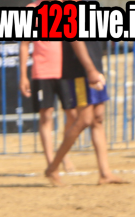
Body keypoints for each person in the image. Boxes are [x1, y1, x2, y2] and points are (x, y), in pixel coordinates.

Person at [43, 40, 126, 187]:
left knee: (98, 117)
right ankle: (53, 167)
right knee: (84, 120)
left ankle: (105, 173)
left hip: (94, 66)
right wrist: (90, 69)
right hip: (80, 70)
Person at [17, 2, 72, 174]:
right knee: (46, 116)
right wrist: (23, 75)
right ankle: (51, 164)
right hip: (42, 72)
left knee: (73, 116)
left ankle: (62, 154)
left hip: (65, 71)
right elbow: (24, 44)